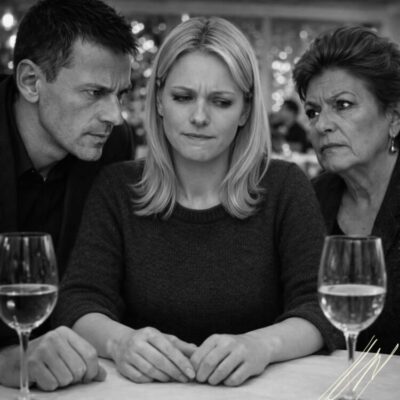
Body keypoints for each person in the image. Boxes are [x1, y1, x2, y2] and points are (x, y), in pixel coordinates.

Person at [54, 16, 338, 387]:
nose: (200, 117)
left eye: (221, 102)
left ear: (245, 110)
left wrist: (262, 345)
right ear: (159, 101)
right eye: (183, 97)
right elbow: (79, 299)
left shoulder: (285, 187)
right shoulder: (117, 187)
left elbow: (320, 307)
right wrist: (120, 341)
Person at [0, 0, 137, 391]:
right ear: (31, 82)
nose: (114, 116)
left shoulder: (113, 146)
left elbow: (101, 278)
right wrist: (4, 360)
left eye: (120, 95)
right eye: (94, 92)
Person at [293, 26, 400, 355]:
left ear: (394, 118)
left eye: (342, 104)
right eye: (313, 112)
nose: (321, 125)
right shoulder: (309, 200)